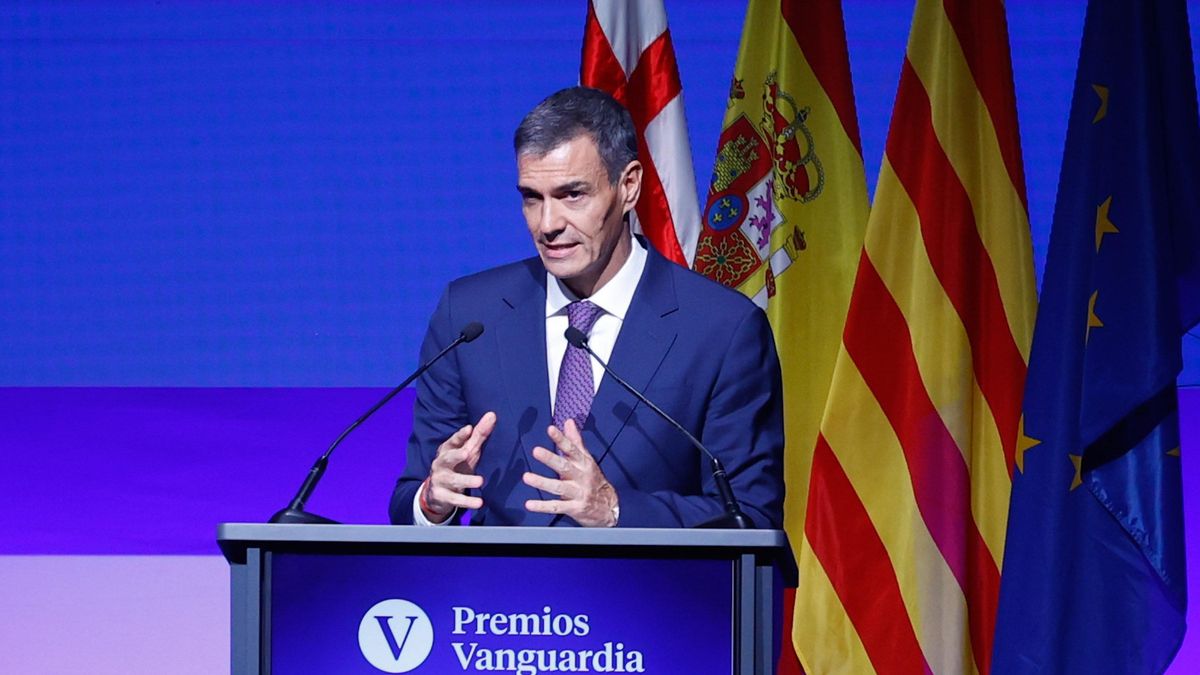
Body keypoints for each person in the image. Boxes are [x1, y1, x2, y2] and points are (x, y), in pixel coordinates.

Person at [388, 86, 784, 528]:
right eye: (532, 198)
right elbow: (410, 499)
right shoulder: (469, 316)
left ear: (629, 186)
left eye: (572, 195)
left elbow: (750, 518)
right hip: (495, 596)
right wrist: (433, 502)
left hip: (646, 594)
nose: (548, 224)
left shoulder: (721, 330)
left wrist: (617, 511)